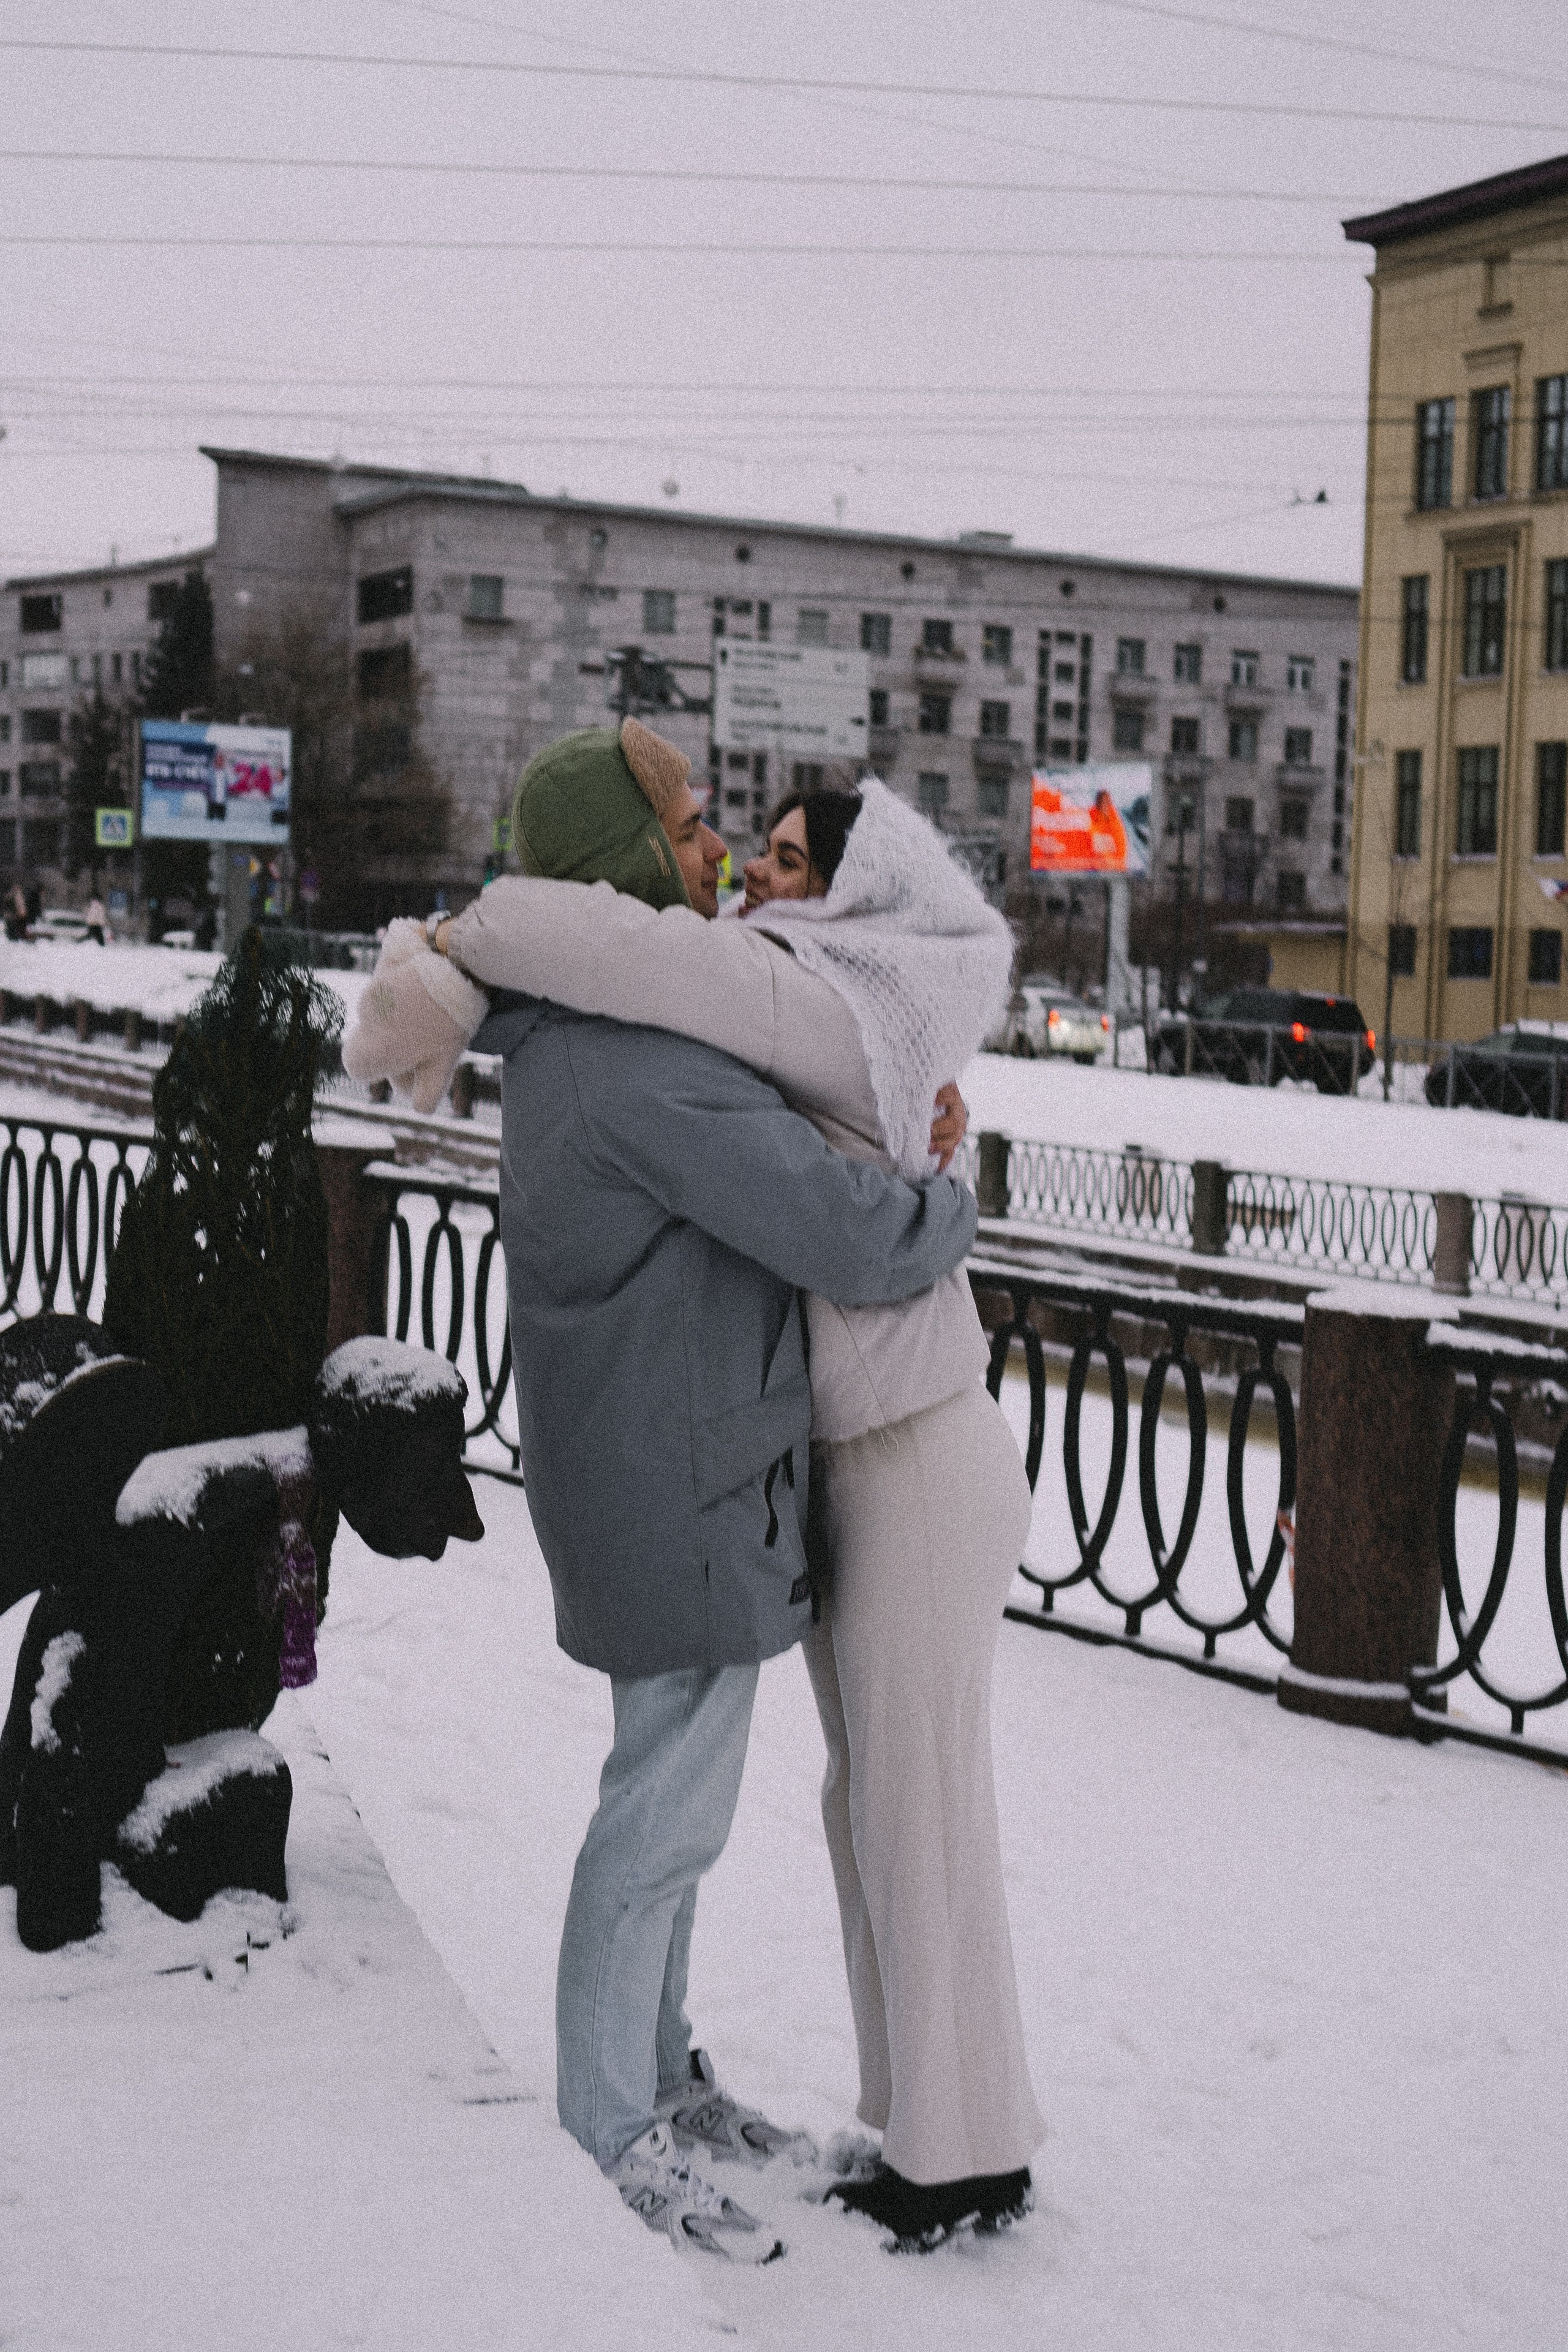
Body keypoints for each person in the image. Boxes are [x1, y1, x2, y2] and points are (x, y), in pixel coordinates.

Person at [349, 733, 1044, 2254]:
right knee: (667, 1817)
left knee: (715, 1804)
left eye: (765, 845)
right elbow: (838, 1228)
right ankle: (617, 2118)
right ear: (621, 854)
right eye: (686, 825)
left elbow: (681, 1005)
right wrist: (945, 1196)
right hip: (681, 1477)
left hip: (711, 1468)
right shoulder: (632, 1059)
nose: (720, 852)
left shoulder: (613, 1033)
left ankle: (682, 2084)